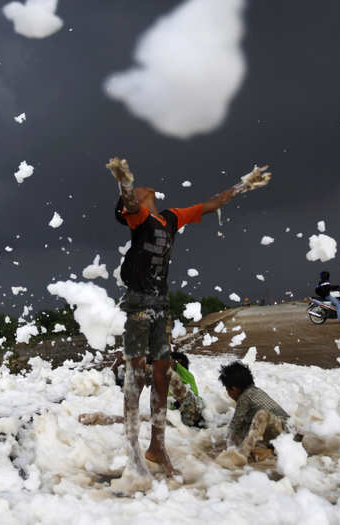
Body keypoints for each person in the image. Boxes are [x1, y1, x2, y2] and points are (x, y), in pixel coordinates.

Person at [107, 156, 253, 481]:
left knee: (162, 373)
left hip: (160, 303)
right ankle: (134, 449)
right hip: (138, 303)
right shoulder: (140, 217)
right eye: (141, 191)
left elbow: (211, 205)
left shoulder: (171, 218)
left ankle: (156, 447)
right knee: (136, 377)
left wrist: (244, 185)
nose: (148, 189)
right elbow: (129, 203)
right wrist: (124, 183)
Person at [216, 361, 290, 467]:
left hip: (283, 431)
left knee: (261, 416)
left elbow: (235, 425)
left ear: (234, 388)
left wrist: (229, 448)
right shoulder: (256, 391)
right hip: (288, 434)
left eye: (228, 390)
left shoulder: (245, 397)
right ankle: (269, 452)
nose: (229, 394)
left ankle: (242, 456)